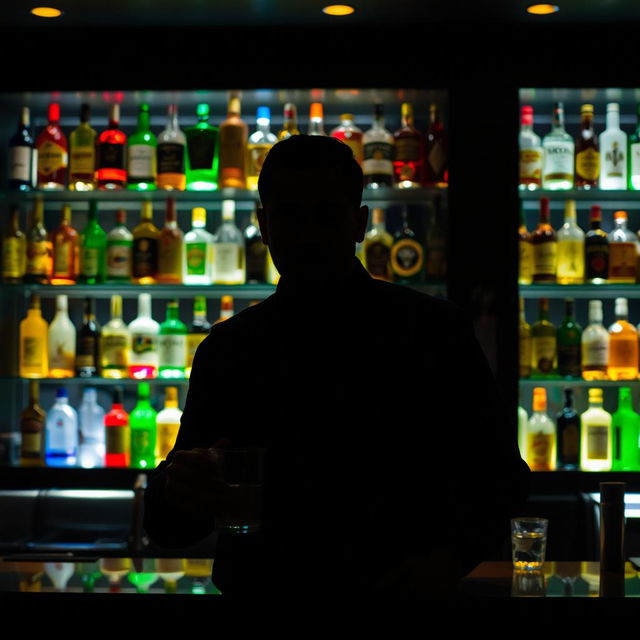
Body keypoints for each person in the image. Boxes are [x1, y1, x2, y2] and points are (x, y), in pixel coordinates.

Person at [143, 134, 530, 600]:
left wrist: (446, 561)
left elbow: (499, 479)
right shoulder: (428, 328)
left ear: (359, 222)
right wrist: (181, 489)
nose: (307, 235)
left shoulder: (236, 346)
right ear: (264, 225)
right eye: (290, 215)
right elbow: (171, 523)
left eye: (325, 215)